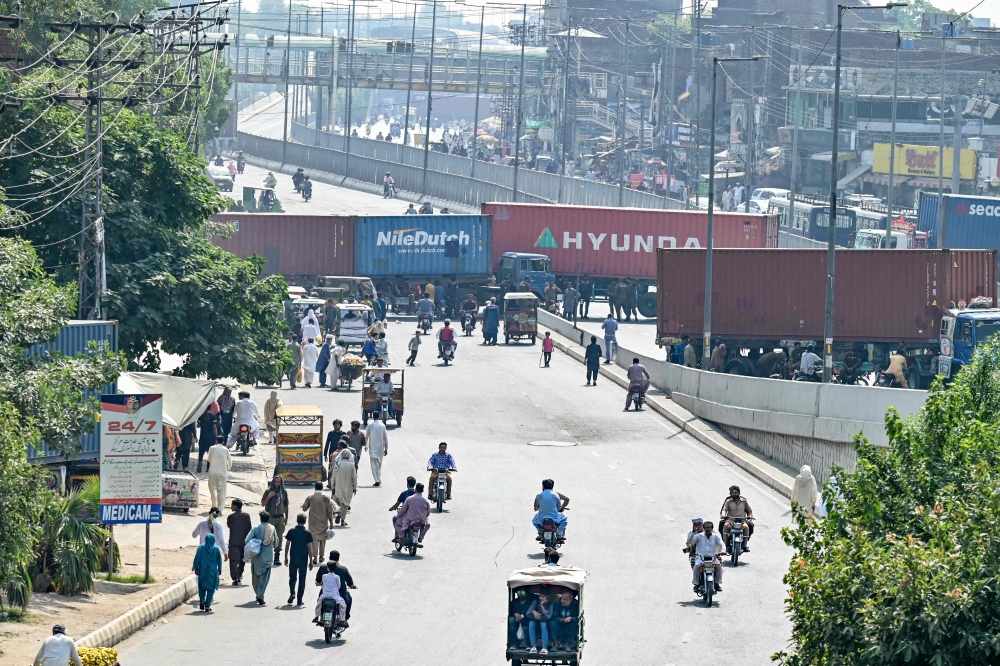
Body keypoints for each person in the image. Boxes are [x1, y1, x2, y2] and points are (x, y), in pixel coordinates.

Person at [246, 511, 277, 604]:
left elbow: (247, 540)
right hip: (268, 557)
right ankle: (260, 595)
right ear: (269, 519)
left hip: (256, 557)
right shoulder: (272, 529)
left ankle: (258, 593)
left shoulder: (255, 529)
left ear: (260, 519)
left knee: (255, 576)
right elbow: (276, 544)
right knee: (265, 577)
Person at [284, 514, 314, 605]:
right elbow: (309, 548)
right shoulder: (307, 533)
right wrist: (311, 560)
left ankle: (292, 593)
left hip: (293, 558)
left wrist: (286, 557)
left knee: (292, 577)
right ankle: (299, 599)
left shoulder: (291, 531)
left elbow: (287, 545)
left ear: (297, 520)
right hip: (303, 559)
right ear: (305, 521)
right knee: (302, 579)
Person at [302, 482, 335, 564]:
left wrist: (303, 505)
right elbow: (330, 511)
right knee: (322, 540)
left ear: (315, 488)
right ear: (322, 488)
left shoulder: (310, 497)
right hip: (323, 522)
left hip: (313, 523)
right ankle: (321, 556)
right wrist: (331, 522)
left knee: (314, 540)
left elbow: (304, 509)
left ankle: (315, 557)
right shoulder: (327, 498)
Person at [689, 520, 725, 592]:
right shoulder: (698, 536)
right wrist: (693, 531)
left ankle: (717, 583)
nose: (707, 529)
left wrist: (723, 550)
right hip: (700, 558)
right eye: (705, 528)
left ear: (712, 528)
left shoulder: (716, 536)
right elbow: (691, 542)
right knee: (696, 567)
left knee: (719, 568)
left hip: (713, 558)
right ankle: (697, 584)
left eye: (709, 528)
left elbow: (721, 544)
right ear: (703, 528)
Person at [262, 476, 290, 566]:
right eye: (276, 482)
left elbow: (286, 506)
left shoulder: (284, 492)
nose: (277, 484)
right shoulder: (268, 492)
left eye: (279, 482)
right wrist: (270, 496)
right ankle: (268, 557)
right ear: (273, 482)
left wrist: (286, 517)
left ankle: (277, 557)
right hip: (270, 518)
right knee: (268, 537)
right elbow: (263, 503)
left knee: (279, 538)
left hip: (280, 518)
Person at [193, 531, 223, 611]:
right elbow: (219, 561)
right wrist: (220, 570)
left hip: (203, 571)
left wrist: (196, 568)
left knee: (202, 587)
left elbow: (197, 558)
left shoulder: (201, 548)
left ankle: (202, 601)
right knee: (211, 589)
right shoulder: (216, 549)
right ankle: (207, 605)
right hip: (213, 573)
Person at [719, 485, 754, 552]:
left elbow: (749, 511)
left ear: (739, 493)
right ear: (730, 494)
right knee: (726, 526)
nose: (734, 494)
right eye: (733, 493)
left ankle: (744, 545)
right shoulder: (728, 501)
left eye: (736, 493)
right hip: (731, 520)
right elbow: (724, 509)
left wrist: (749, 518)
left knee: (746, 527)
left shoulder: (744, 501)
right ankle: (726, 546)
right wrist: (723, 515)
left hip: (742, 520)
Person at [312, 560, 347, 626]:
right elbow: (338, 586)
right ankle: (342, 620)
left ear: (327, 568)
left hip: (325, 595)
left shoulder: (324, 576)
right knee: (343, 605)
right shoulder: (337, 577)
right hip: (334, 596)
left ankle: (317, 617)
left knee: (318, 605)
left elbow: (323, 584)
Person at [227, 499, 253, 585]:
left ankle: (235, 577)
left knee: (233, 561)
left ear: (235, 506)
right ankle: (238, 575)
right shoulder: (247, 516)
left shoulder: (231, 517)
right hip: (244, 542)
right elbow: (249, 528)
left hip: (234, 542)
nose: (231, 507)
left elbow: (229, 526)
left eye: (232, 505)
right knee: (242, 560)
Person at [332, 449, 358, 525]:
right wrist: (355, 487)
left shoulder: (338, 464)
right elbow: (354, 477)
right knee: (346, 504)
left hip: (338, 486)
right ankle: (342, 519)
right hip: (348, 487)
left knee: (340, 502)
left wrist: (333, 486)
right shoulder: (351, 465)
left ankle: (339, 513)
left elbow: (334, 476)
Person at [206, 437, 232, 510]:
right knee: (222, 491)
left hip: (213, 472)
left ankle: (214, 506)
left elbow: (208, 459)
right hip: (222, 473)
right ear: (223, 442)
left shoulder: (211, 448)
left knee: (212, 489)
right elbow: (229, 461)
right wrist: (229, 468)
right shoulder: (226, 450)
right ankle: (220, 509)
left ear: (216, 441)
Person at [364, 411, 388, 486]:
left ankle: (377, 479)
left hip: (372, 447)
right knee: (379, 463)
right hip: (380, 448)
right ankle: (378, 479)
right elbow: (385, 438)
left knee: (373, 464)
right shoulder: (383, 426)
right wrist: (386, 448)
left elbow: (366, 436)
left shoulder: (370, 425)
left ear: (373, 417)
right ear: (379, 417)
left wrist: (366, 445)